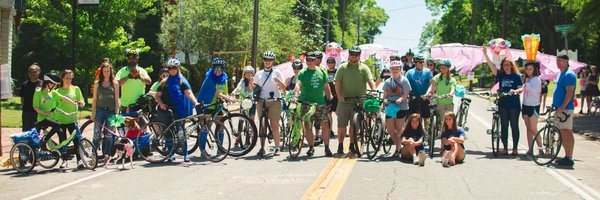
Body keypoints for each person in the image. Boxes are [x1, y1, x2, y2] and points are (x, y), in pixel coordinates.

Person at [155, 59, 200, 162]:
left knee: (181, 132)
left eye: (174, 68)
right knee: (168, 133)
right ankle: (170, 154)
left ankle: (185, 154)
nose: (172, 70)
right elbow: (157, 96)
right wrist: (161, 104)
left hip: (178, 109)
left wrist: (195, 102)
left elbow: (189, 93)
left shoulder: (182, 81)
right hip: (165, 110)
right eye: (170, 68)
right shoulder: (164, 82)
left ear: (178, 69)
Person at [334, 46, 376, 154]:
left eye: (356, 55)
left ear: (359, 56)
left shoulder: (364, 68)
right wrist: (339, 96)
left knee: (354, 126)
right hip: (344, 101)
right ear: (349, 55)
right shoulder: (343, 67)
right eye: (352, 54)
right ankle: (340, 145)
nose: (354, 57)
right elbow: (337, 82)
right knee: (342, 125)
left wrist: (374, 90)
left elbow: (370, 80)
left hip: (359, 101)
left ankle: (352, 145)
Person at [483, 44, 523, 155]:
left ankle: (515, 148)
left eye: (508, 65)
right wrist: (485, 54)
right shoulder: (500, 75)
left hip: (514, 104)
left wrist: (515, 91)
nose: (506, 67)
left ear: (511, 65)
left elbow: (521, 89)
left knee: (514, 125)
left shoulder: (516, 76)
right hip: (503, 103)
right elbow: (491, 66)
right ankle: (505, 147)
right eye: (504, 65)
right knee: (504, 126)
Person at [293, 52, 333, 157]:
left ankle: (327, 148)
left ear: (315, 60)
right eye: (307, 60)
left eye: (311, 60)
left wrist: (329, 99)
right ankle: (311, 148)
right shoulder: (303, 72)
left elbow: (326, 86)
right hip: (306, 103)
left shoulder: (322, 71)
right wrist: (296, 95)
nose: (309, 62)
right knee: (308, 126)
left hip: (320, 103)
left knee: (325, 125)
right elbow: (298, 84)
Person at [253, 51, 286, 156]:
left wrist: (279, 82)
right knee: (262, 125)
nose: (267, 62)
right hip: (261, 101)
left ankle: (277, 147)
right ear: (263, 61)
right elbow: (254, 87)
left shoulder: (277, 72)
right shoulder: (259, 73)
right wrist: (251, 84)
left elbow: (283, 89)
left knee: (274, 124)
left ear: (272, 61)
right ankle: (262, 147)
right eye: (266, 60)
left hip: (274, 101)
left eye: (270, 60)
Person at [33, 73, 76, 152]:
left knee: (61, 133)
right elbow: (35, 107)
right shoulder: (38, 92)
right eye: (55, 84)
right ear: (48, 83)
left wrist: (74, 103)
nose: (56, 86)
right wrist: (44, 112)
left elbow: (63, 97)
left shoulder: (52, 92)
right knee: (58, 125)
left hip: (51, 118)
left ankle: (62, 153)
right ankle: (44, 141)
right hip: (42, 119)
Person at [55, 69, 86, 169]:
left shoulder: (76, 89)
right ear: (62, 78)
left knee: (76, 140)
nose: (69, 80)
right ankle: (64, 160)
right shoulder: (57, 91)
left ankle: (79, 160)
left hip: (72, 118)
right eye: (67, 78)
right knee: (62, 140)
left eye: (70, 78)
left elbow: (81, 100)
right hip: (61, 119)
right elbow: (53, 104)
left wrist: (81, 103)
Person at [91, 62, 120, 161]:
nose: (106, 73)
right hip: (100, 110)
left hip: (111, 111)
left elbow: (117, 99)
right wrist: (93, 113)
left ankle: (107, 154)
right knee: (96, 134)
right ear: (101, 72)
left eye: (108, 71)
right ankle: (94, 155)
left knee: (109, 134)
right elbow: (94, 99)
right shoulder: (97, 83)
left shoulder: (115, 83)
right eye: (104, 71)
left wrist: (117, 113)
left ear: (111, 71)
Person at [382, 61, 411, 156]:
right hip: (390, 106)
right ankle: (400, 144)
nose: (395, 70)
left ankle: (398, 149)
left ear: (400, 69)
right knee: (390, 129)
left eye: (397, 68)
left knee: (399, 129)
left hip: (401, 107)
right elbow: (385, 95)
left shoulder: (404, 80)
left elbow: (406, 94)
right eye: (393, 69)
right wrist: (384, 102)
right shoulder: (387, 82)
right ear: (390, 70)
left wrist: (401, 99)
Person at [553, 54, 577, 166]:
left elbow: (570, 92)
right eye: (557, 60)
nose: (558, 62)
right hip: (559, 109)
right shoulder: (560, 74)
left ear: (566, 61)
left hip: (565, 109)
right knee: (561, 132)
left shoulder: (569, 74)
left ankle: (569, 156)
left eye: (561, 60)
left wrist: (562, 107)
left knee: (567, 131)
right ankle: (566, 156)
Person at [516, 62, 541, 155]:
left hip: (533, 105)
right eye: (527, 69)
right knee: (528, 128)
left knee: (534, 128)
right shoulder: (527, 79)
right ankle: (530, 149)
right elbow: (523, 90)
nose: (528, 71)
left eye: (531, 69)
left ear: (534, 70)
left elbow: (534, 92)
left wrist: (527, 83)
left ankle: (540, 147)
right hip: (525, 105)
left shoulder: (536, 80)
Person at [406, 55, 433, 130]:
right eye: (420, 62)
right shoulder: (410, 72)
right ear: (415, 63)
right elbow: (406, 85)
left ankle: (427, 133)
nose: (422, 64)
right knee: (413, 117)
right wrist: (407, 95)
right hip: (414, 97)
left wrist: (427, 94)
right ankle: (414, 132)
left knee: (426, 117)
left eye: (423, 62)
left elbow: (432, 84)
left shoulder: (427, 71)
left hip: (424, 97)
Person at [20, 63, 42, 131]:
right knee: (25, 132)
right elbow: (22, 99)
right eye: (30, 72)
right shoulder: (24, 85)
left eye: (34, 72)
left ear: (39, 72)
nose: (32, 74)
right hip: (27, 112)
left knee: (36, 132)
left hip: (38, 113)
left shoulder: (42, 84)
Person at [325, 57, 338, 137]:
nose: (330, 64)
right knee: (329, 114)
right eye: (329, 63)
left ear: (334, 63)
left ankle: (342, 129)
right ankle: (330, 130)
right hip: (328, 95)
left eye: (332, 62)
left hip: (337, 95)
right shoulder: (325, 72)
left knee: (339, 113)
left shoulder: (337, 72)